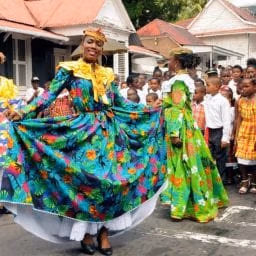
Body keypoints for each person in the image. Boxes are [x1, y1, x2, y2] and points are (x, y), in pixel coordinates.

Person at [0, 29, 166, 255]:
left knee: (109, 183)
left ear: (101, 49)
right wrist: (25, 113)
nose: (94, 47)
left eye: (98, 45)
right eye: (90, 42)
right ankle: (86, 233)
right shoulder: (69, 69)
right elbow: (47, 97)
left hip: (109, 134)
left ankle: (104, 233)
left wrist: (147, 110)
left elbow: (120, 103)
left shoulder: (107, 74)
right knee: (84, 184)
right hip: (81, 133)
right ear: (83, 43)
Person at [160, 47, 228, 222]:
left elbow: (177, 107)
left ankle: (181, 208)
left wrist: (174, 132)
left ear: (176, 61)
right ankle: (189, 203)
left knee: (182, 165)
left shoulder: (178, 82)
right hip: (187, 126)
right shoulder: (183, 80)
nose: (169, 62)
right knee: (190, 165)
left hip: (180, 127)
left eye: (170, 59)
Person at [0, 52, 26, 214]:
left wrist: (16, 111)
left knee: (6, 164)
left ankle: (5, 200)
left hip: (4, 129)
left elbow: (16, 105)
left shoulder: (6, 84)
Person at [204, 76, 232, 178]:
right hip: (209, 130)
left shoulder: (223, 101)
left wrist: (225, 138)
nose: (205, 87)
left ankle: (221, 179)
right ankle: (211, 179)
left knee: (220, 156)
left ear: (216, 87)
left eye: (208, 85)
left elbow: (226, 120)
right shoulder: (207, 99)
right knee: (209, 155)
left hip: (219, 131)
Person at [235, 78, 256, 194]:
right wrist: (236, 135)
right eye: (242, 87)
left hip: (255, 131)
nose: (243, 89)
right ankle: (244, 180)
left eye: (247, 86)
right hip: (244, 130)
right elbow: (238, 118)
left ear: (254, 87)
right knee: (241, 158)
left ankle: (254, 181)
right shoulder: (240, 100)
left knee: (254, 159)